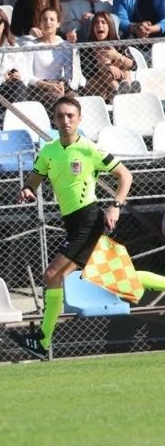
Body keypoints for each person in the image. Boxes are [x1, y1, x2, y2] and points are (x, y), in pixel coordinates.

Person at [9, 96, 165, 360]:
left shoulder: (89, 150)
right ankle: (42, 342)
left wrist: (115, 205)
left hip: (88, 221)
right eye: (60, 116)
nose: (66, 120)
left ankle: (43, 340)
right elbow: (34, 178)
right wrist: (27, 189)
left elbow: (126, 175)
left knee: (52, 275)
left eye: (71, 115)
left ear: (79, 119)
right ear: (54, 120)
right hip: (73, 225)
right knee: (119, 279)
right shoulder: (48, 151)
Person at [21, 7, 74, 111]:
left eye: (52, 19)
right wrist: (48, 85)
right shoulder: (31, 45)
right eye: (44, 19)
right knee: (59, 101)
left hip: (59, 85)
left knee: (74, 99)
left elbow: (68, 72)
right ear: (40, 23)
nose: (48, 22)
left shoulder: (65, 45)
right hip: (38, 88)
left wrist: (61, 83)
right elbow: (27, 75)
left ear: (58, 23)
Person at [80, 11, 138, 101]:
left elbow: (134, 66)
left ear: (110, 26)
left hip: (119, 80)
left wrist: (118, 56)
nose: (99, 25)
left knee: (126, 70)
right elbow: (88, 72)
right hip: (96, 87)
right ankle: (120, 91)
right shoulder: (87, 48)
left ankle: (124, 90)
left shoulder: (119, 45)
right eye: (96, 23)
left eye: (103, 22)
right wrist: (107, 67)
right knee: (106, 73)